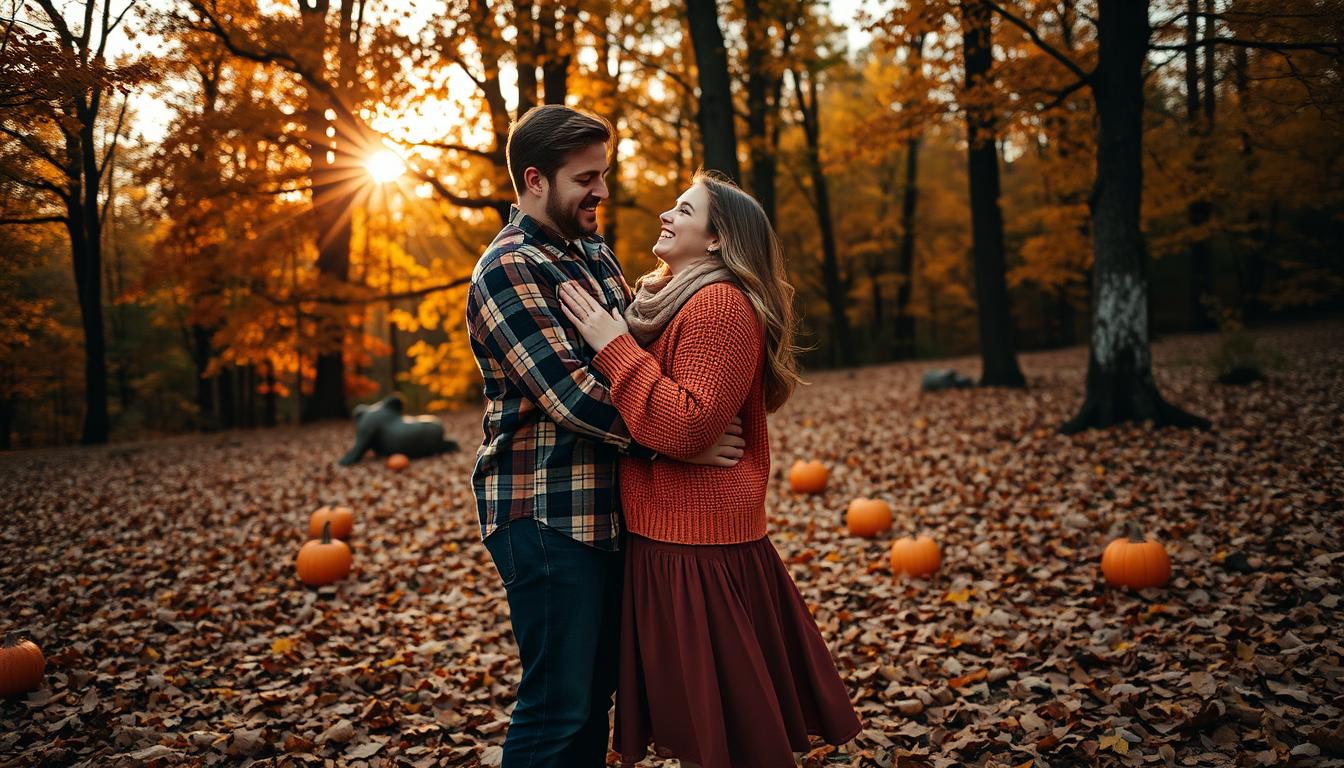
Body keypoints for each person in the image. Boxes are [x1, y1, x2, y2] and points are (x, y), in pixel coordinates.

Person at [465, 106, 746, 767]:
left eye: (605, 174)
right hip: (544, 512)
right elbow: (575, 398)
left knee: (594, 702)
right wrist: (679, 437)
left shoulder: (592, 252)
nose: (602, 191)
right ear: (535, 181)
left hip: (607, 512)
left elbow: (636, 355)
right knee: (558, 708)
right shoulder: (508, 268)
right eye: (586, 178)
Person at [559, 170, 862, 768]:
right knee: (706, 726)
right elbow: (678, 420)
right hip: (671, 534)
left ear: (718, 239)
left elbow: (692, 423)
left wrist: (613, 346)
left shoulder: (719, 306)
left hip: (700, 545)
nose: (666, 216)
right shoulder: (669, 301)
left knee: (729, 732)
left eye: (684, 209)